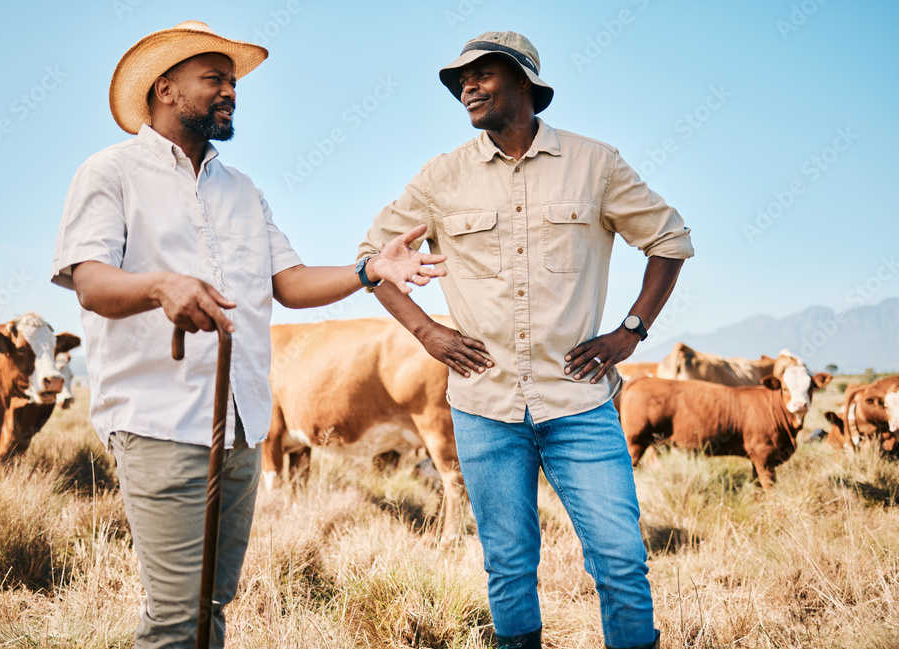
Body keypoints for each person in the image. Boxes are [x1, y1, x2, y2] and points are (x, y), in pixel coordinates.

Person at [50, 21, 445, 649]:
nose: (231, 91)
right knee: (175, 615)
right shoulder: (109, 173)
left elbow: (288, 282)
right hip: (158, 420)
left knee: (211, 605)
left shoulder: (243, 191)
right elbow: (91, 281)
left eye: (233, 81)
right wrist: (160, 287)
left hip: (238, 423)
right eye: (215, 79)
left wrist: (371, 270)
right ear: (166, 88)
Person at [357, 31, 694, 649]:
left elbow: (669, 240)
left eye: (481, 75)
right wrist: (427, 332)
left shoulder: (596, 164)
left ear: (524, 84)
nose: (467, 87)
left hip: (580, 403)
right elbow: (373, 260)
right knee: (509, 570)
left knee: (621, 561)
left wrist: (631, 331)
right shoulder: (441, 177)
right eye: (460, 81)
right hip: (483, 408)